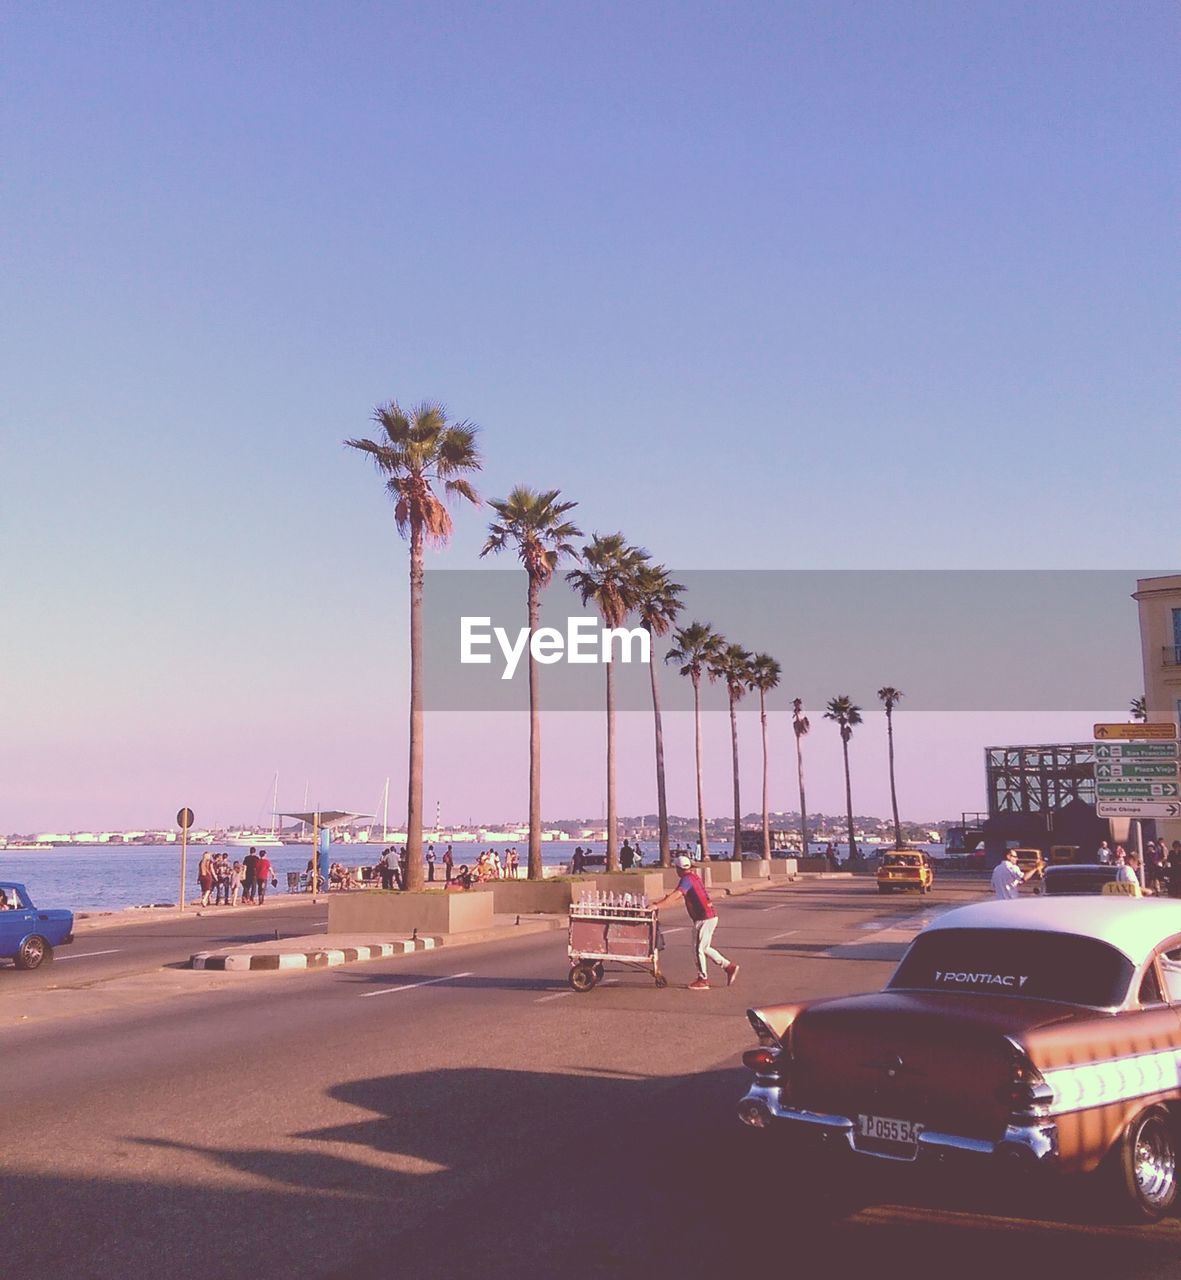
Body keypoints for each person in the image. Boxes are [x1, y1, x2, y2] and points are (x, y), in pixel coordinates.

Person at [652, 854, 738, 991]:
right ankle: (728, 967)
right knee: (704, 948)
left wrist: (657, 906)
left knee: (698, 949)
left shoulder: (686, 880)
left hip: (704, 918)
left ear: (678, 869)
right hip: (709, 917)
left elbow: (676, 895)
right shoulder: (693, 877)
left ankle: (703, 979)